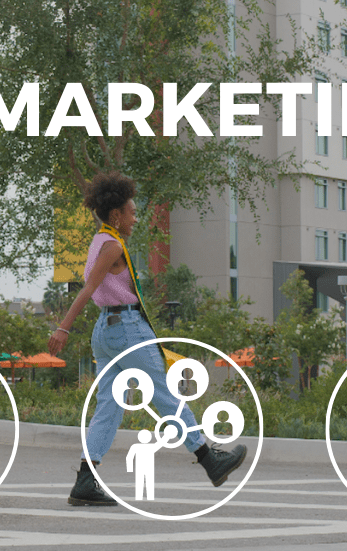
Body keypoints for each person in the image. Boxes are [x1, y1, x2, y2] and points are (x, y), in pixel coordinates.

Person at [46, 172, 247, 506]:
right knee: (165, 392)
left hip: (105, 331)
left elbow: (93, 289)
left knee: (109, 405)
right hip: (125, 326)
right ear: (116, 215)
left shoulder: (98, 241)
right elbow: (90, 288)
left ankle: (85, 480)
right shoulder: (111, 246)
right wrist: (63, 326)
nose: (136, 219)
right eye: (132, 212)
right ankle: (210, 459)